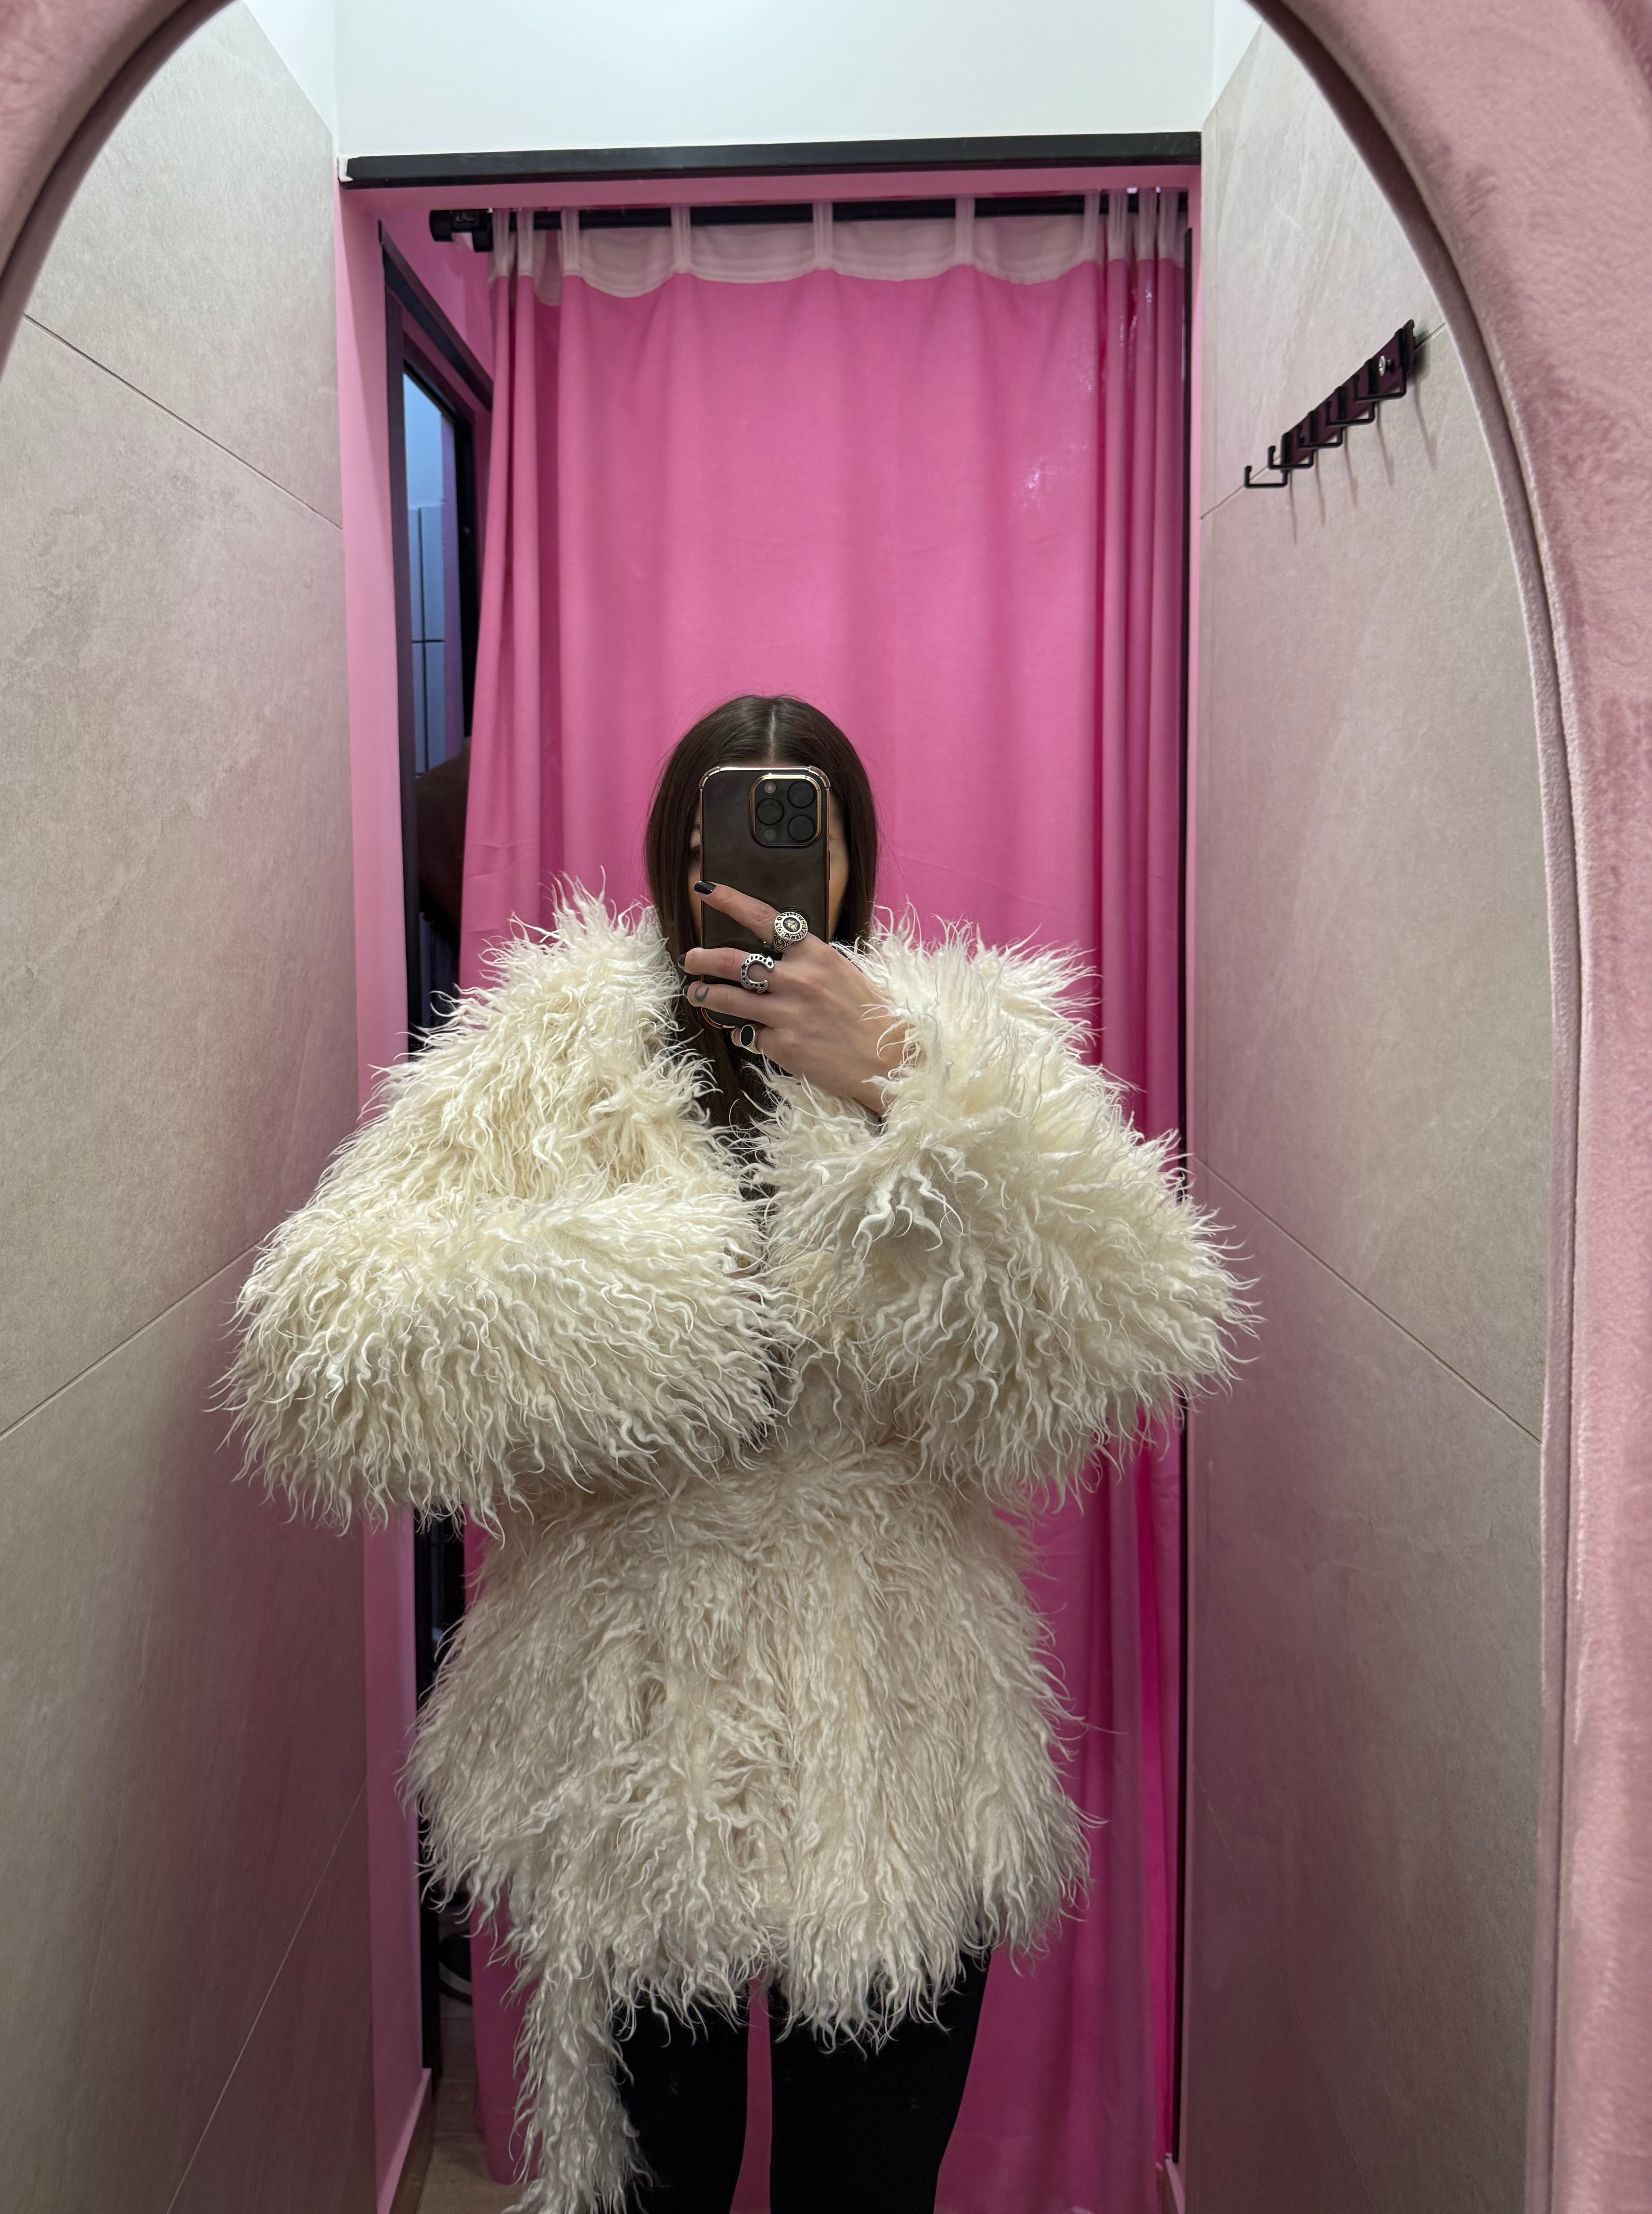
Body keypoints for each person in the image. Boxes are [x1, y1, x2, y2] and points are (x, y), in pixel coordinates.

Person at [226, 693, 1250, 2214]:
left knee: (866, 2185)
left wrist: (906, 1086)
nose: (759, 866)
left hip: (892, 1713)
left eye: (799, 827)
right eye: (728, 824)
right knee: (659, 2185)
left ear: (847, 857)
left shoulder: (963, 1037)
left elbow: (1132, 1324)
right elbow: (325, 1338)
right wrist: (678, 1312)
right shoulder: (553, 1044)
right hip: (632, 1720)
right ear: (677, 852)